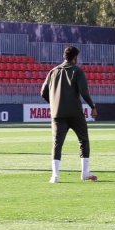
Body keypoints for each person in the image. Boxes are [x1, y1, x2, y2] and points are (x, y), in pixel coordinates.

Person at [40, 46, 98, 183]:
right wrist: (93, 106)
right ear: (75, 58)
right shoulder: (77, 71)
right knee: (83, 140)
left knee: (57, 143)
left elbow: (43, 92)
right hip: (75, 113)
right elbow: (84, 92)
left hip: (57, 113)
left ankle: (55, 175)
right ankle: (85, 172)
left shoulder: (53, 71)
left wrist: (53, 103)